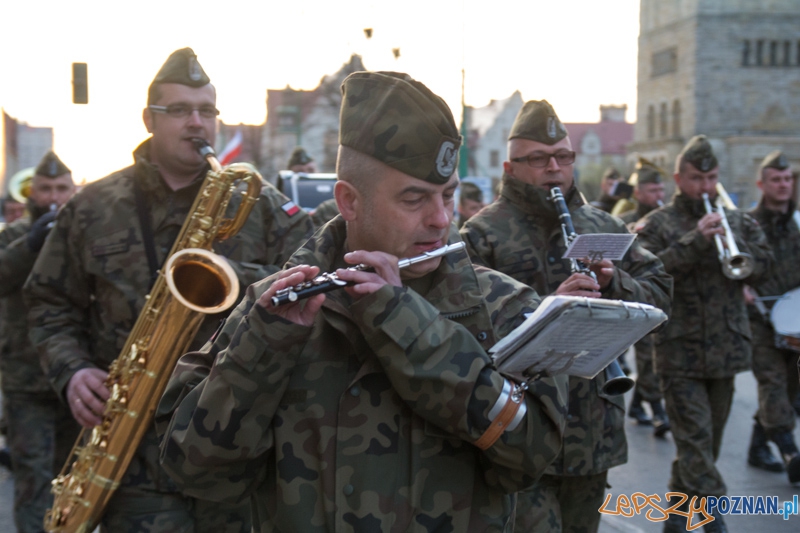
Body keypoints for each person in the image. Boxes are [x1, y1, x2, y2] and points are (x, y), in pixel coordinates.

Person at [156, 71, 569, 532]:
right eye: (414, 199)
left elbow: (534, 454)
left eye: (448, 195)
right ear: (349, 201)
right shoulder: (270, 308)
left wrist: (412, 331)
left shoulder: (504, 306)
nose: (440, 219)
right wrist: (264, 349)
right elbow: (193, 468)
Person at [24, 48, 314, 532]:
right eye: (179, 110)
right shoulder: (92, 206)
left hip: (236, 449)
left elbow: (308, 281)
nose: (196, 123)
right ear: (149, 119)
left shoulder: (260, 203)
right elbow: (48, 302)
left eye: (206, 110)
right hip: (135, 456)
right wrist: (72, 371)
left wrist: (229, 272)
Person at [460, 99, 672, 533]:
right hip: (520, 427)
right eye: (539, 158)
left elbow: (661, 292)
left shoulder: (601, 224)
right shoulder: (482, 234)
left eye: (563, 156)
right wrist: (548, 308)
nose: (554, 168)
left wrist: (615, 282)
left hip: (593, 429)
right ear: (511, 167)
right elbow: (463, 323)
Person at [635, 135, 772, 532]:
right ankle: (715, 522)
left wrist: (737, 245)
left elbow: (766, 265)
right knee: (696, 444)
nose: (706, 187)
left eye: (711, 178)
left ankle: (675, 522)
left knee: (702, 448)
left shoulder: (738, 220)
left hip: (727, 350)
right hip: (679, 353)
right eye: (696, 178)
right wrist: (696, 239)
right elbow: (648, 271)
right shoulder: (658, 223)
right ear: (679, 178)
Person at [0, 151, 80, 533]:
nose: (53, 197)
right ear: (32, 194)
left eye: (61, 189)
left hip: (75, 377)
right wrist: (31, 243)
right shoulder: (15, 236)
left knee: (73, 477)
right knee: (33, 478)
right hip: (26, 378)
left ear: (73, 192)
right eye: (45, 189)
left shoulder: (84, 233)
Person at [743, 150, 800, 483]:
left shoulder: (798, 223)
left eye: (787, 179)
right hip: (759, 320)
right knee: (772, 382)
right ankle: (790, 452)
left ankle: (757, 446)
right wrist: (740, 287)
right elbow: (732, 267)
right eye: (776, 179)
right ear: (762, 184)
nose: (783, 184)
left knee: (790, 388)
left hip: (794, 320)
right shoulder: (747, 225)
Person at [618, 158, 670, 436]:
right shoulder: (625, 220)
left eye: (660, 190)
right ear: (638, 193)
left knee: (654, 358)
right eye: (652, 190)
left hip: (661, 296)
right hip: (634, 299)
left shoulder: (668, 219)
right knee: (648, 356)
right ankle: (657, 409)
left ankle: (639, 404)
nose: (658, 195)